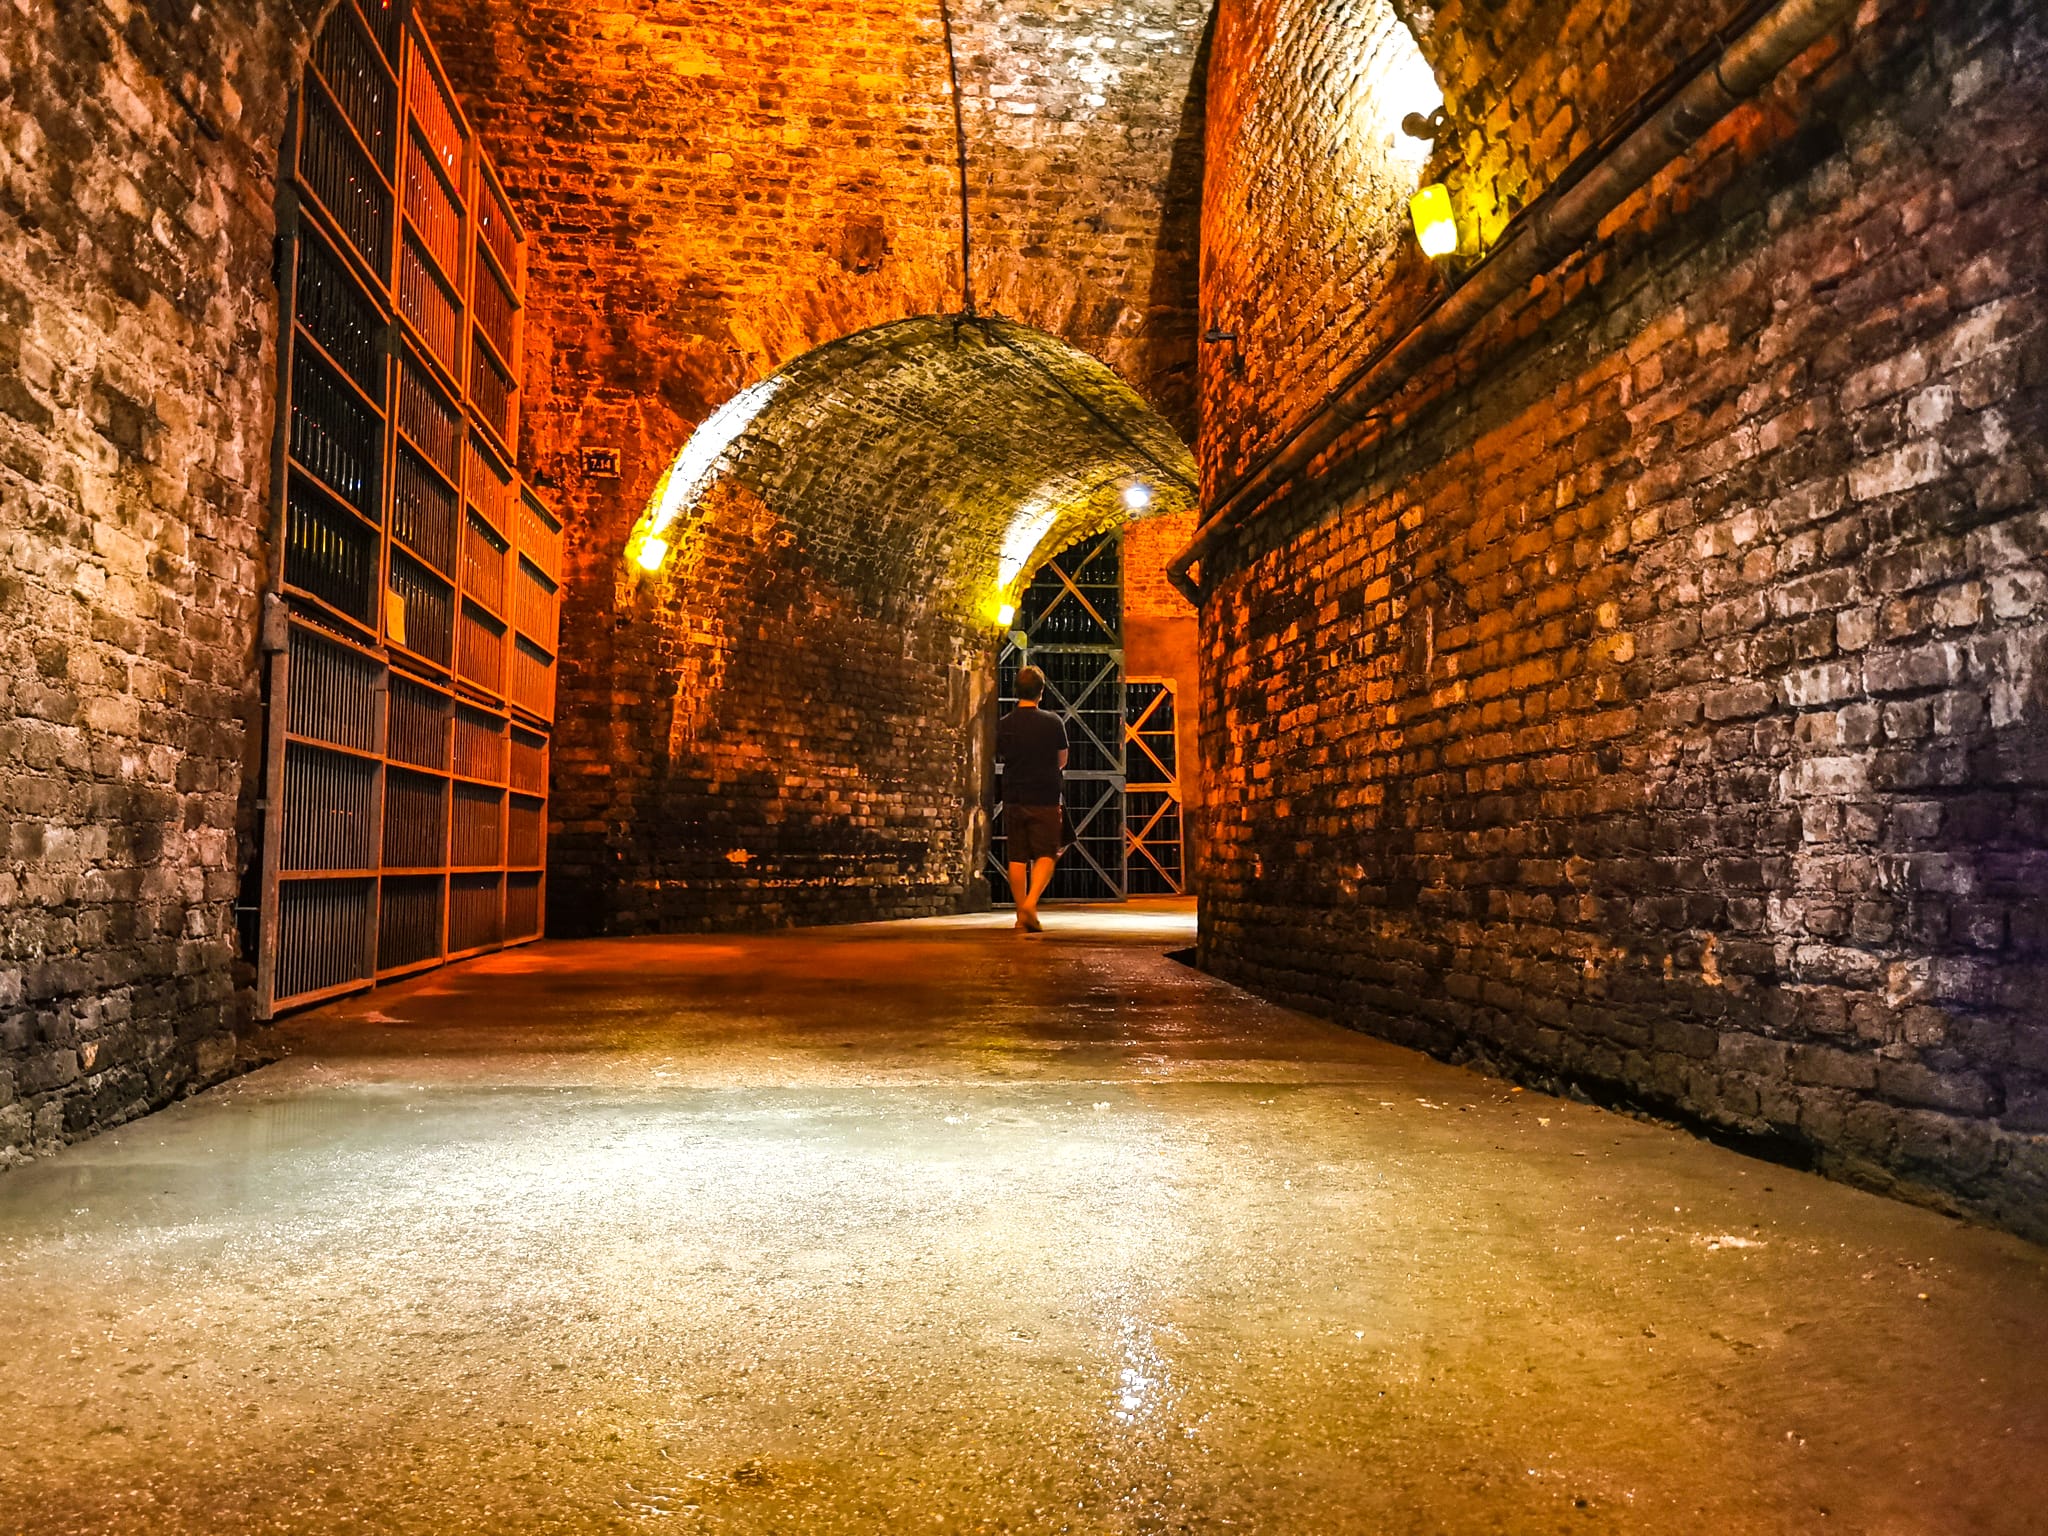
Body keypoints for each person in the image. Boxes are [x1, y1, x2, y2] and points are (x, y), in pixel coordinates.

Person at [995, 666, 1069, 935]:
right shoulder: (1053, 722)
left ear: (1017, 690)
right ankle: (1031, 903)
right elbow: (1062, 760)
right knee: (1047, 853)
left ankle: (1019, 914)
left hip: (1014, 795)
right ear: (1041, 692)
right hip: (1046, 795)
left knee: (1017, 856)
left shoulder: (1004, 724)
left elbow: (1001, 756)